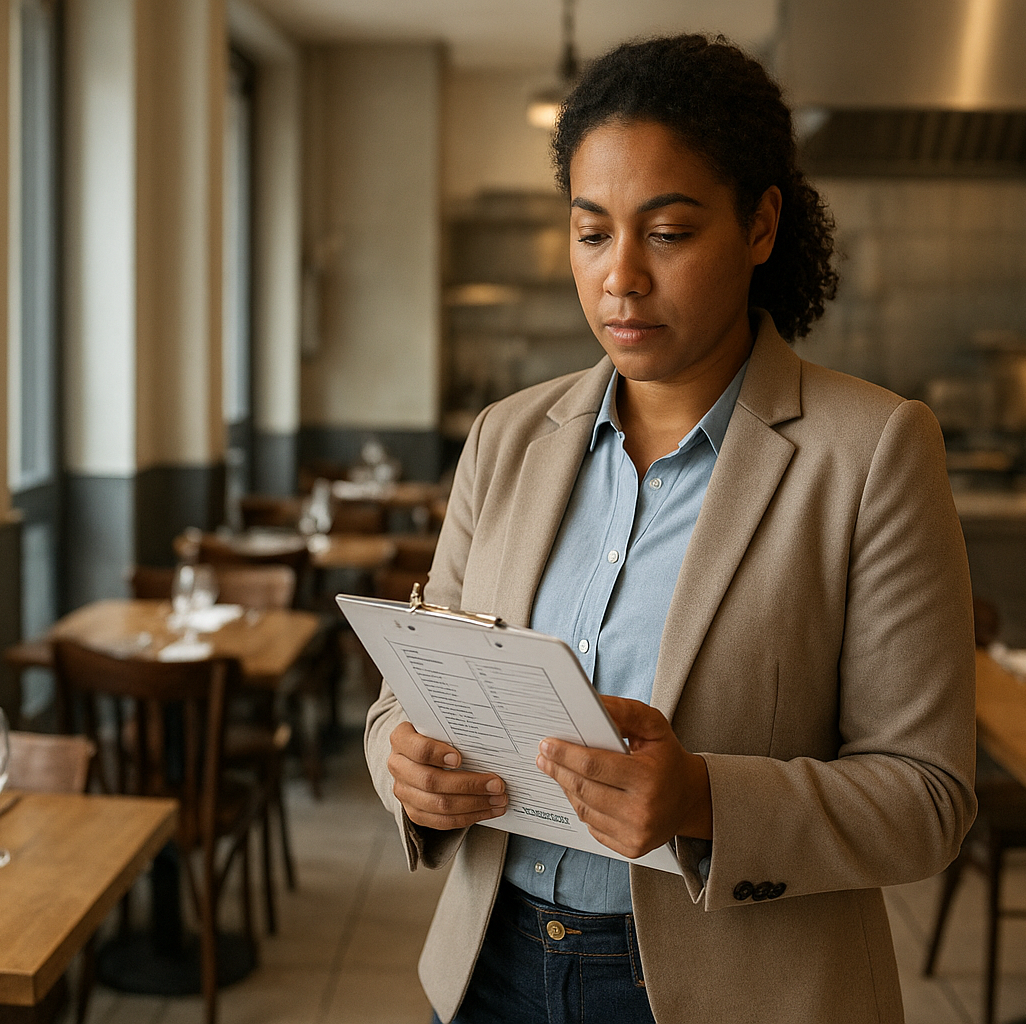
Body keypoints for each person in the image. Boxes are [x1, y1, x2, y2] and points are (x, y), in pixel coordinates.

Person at [364, 34, 976, 1024]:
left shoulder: (870, 453)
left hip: (738, 990)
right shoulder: (506, 438)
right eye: (593, 231)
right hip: (494, 970)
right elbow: (405, 698)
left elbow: (928, 796)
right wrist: (408, 767)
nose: (621, 280)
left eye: (671, 231)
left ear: (761, 224)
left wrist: (701, 798)